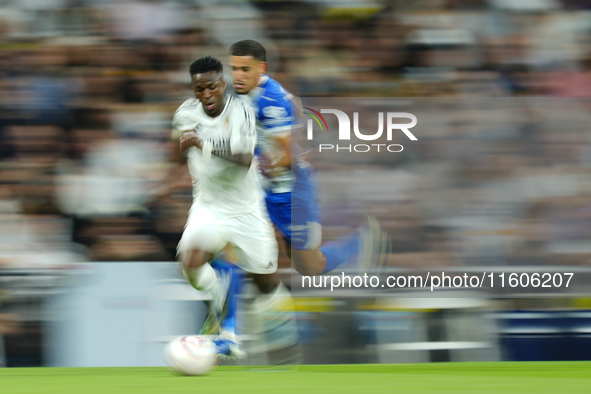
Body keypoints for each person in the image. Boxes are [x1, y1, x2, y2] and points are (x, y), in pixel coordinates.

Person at [228, 39, 389, 279]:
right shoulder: (247, 94)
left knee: (309, 267)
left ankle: (360, 243)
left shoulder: (271, 102)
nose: (237, 75)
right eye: (234, 68)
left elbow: (288, 157)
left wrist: (249, 165)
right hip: (266, 191)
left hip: (289, 194)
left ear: (261, 68)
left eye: (244, 69)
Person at [171, 55, 278, 361]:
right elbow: (178, 144)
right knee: (190, 263)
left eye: (210, 87)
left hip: (246, 209)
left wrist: (202, 143)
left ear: (222, 84)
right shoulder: (184, 114)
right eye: (198, 88)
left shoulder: (241, 111)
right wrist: (176, 163)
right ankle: (224, 322)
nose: (205, 94)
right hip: (209, 206)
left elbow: (244, 159)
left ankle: (229, 320)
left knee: (266, 283)